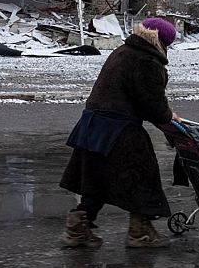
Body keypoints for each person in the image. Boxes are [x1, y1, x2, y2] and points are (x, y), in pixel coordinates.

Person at [59, 16, 180, 248]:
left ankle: (77, 226)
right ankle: (140, 231)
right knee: (142, 178)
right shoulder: (146, 61)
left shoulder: (124, 51)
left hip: (93, 126)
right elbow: (151, 104)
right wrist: (168, 118)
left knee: (95, 179)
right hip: (120, 129)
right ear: (160, 42)